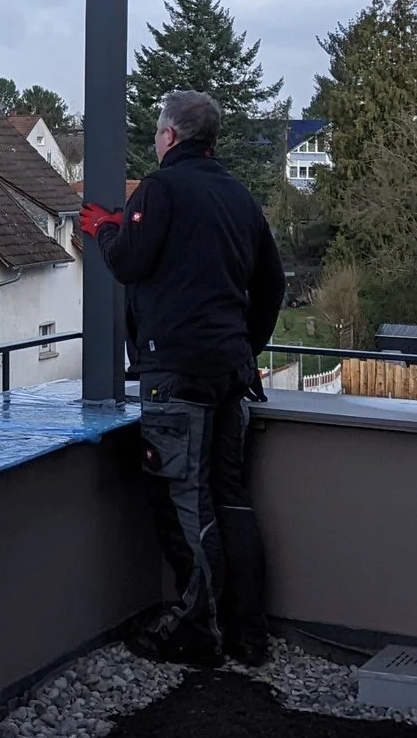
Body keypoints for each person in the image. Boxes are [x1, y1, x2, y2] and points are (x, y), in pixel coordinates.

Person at [78, 88, 286, 667]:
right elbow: (271, 286)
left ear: (170, 136)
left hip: (178, 376)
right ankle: (249, 635)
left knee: (185, 502)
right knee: (231, 500)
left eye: (156, 131)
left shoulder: (162, 188)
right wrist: (246, 348)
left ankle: (201, 635)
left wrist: (104, 231)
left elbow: (130, 262)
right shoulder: (238, 196)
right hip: (230, 374)